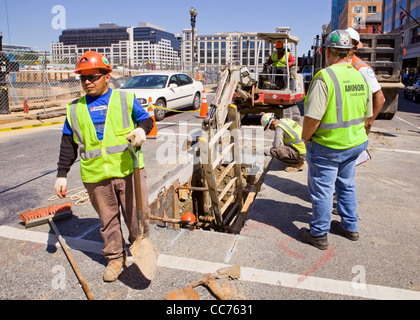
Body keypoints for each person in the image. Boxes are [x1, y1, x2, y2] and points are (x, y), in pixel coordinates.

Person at [54, 51, 154, 282]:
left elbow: (146, 119)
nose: (88, 82)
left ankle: (140, 246)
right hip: (96, 175)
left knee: (137, 216)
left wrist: (142, 130)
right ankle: (115, 259)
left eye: (93, 77)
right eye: (83, 78)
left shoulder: (124, 99)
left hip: (129, 171)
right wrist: (62, 174)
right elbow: (68, 143)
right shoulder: (74, 109)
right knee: (107, 220)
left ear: (107, 76)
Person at [299, 30, 373, 250]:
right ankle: (350, 227)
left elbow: (312, 118)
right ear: (349, 52)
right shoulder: (360, 76)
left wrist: (306, 139)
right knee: (346, 184)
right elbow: (368, 115)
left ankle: (319, 233)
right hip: (354, 143)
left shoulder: (325, 77)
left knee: (322, 190)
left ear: (327, 52)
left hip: (329, 145)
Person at [345, 28, 385, 135]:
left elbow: (380, 97)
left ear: (355, 48)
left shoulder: (361, 68)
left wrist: (369, 123)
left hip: (355, 127)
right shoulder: (339, 64)